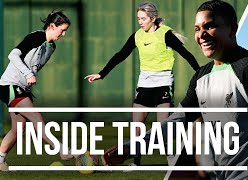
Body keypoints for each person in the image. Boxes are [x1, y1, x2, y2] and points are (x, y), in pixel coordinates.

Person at [101, 0, 248, 179]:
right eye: (197, 29)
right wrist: (131, 148)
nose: (202, 35)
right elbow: (177, 122)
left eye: (210, 26)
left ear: (232, 29)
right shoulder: (201, 77)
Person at [85, 2, 199, 167]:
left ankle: (172, 162)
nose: (140, 21)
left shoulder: (165, 34)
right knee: (136, 128)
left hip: (164, 83)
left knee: (162, 130)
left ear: (152, 18)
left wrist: (200, 73)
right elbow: (120, 55)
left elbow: (186, 54)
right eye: (138, 18)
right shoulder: (137, 36)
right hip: (144, 85)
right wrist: (101, 74)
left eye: (143, 18)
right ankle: (136, 163)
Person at [0, 10, 77, 171]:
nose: (64, 34)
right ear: (52, 26)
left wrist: (28, 79)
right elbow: (13, 55)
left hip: (21, 88)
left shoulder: (52, 46)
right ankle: (62, 150)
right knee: (37, 119)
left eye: (66, 31)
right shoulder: (36, 37)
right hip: (9, 86)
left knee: (19, 128)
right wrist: (28, 74)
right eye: (62, 30)